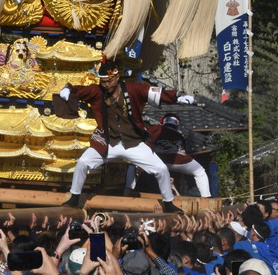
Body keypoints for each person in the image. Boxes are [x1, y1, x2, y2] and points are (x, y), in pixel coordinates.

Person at [58, 61, 196, 212]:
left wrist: (177, 97)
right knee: (82, 162)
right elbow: (76, 89)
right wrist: (67, 89)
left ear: (117, 77)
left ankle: (168, 202)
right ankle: (74, 197)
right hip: (107, 142)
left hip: (134, 142)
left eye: (109, 81)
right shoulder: (96, 91)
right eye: (103, 82)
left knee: (161, 168)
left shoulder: (133, 89)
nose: (106, 85)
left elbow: (155, 92)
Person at [144, 113, 211, 197]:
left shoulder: (155, 129)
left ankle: (131, 189)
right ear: (177, 124)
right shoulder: (180, 135)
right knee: (200, 171)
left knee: (136, 166)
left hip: (158, 160)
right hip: (178, 160)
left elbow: (145, 140)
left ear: (162, 121)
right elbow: (183, 150)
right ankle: (206, 197)